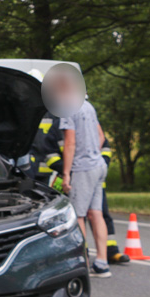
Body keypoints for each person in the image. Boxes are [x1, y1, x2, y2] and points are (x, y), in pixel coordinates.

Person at [60, 97, 112, 277]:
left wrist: (66, 173)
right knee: (96, 213)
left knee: (79, 216)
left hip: (82, 168)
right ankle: (102, 263)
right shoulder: (89, 106)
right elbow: (101, 136)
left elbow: (70, 143)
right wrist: (93, 153)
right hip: (98, 166)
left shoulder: (68, 109)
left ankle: (82, 262)